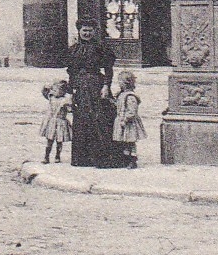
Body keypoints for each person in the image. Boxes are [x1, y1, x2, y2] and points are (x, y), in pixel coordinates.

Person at [65, 17, 120, 168]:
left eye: (90, 30)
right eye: (84, 30)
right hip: (80, 88)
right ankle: (82, 159)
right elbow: (71, 73)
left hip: (96, 85)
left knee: (98, 118)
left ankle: (101, 158)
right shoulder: (74, 50)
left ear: (95, 31)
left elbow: (108, 69)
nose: (87, 33)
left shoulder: (100, 48)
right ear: (79, 31)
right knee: (82, 119)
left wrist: (106, 86)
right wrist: (69, 93)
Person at [112, 71, 145, 169]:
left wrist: (125, 120)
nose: (119, 84)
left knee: (130, 142)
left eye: (120, 82)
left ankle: (133, 160)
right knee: (124, 142)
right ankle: (126, 159)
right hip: (122, 121)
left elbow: (132, 111)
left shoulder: (130, 97)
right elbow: (120, 106)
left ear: (126, 83)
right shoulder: (122, 95)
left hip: (128, 123)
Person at [40, 79, 73, 164]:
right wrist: (48, 86)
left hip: (61, 122)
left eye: (56, 90)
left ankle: (57, 156)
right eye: (53, 90)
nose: (53, 91)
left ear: (63, 91)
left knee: (59, 141)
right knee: (49, 141)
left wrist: (69, 106)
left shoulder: (65, 100)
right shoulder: (51, 97)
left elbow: (70, 110)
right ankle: (46, 157)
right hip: (51, 122)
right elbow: (44, 91)